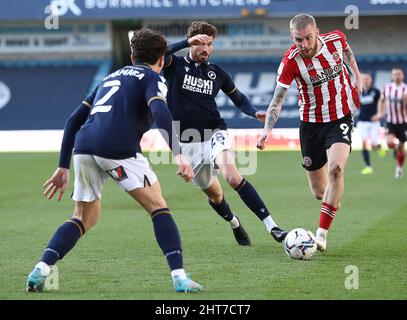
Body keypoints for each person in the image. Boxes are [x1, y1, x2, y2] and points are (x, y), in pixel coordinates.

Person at [26, 28, 203, 293]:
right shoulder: (152, 78)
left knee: (84, 217)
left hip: (84, 147)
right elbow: (159, 110)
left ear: (132, 56)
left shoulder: (109, 77)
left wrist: (63, 165)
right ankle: (179, 277)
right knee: (158, 207)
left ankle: (40, 270)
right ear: (162, 61)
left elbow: (73, 120)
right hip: (118, 148)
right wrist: (179, 154)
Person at [163, 21, 287, 246]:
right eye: (200, 43)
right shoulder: (174, 64)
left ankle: (273, 227)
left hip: (214, 133)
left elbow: (238, 97)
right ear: (191, 43)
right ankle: (234, 222)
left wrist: (253, 112)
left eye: (209, 44)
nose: (205, 48)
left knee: (232, 176)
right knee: (215, 195)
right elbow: (158, 52)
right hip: (187, 142)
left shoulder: (217, 72)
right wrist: (185, 43)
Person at [257, 14, 363, 252]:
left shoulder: (336, 39)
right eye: (298, 40)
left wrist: (356, 74)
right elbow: (278, 99)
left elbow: (347, 51)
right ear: (291, 37)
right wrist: (267, 131)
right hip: (311, 124)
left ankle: (321, 235)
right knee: (319, 191)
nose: (304, 45)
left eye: (308, 38)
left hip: (341, 116)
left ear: (317, 32)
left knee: (336, 170)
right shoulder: (290, 62)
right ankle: (333, 197)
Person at [375, 68, 407, 178]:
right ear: (392, 76)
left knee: (402, 148)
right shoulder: (387, 88)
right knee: (389, 143)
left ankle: (399, 168)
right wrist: (380, 113)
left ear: (402, 76)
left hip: (403, 122)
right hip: (391, 121)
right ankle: (397, 147)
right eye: (395, 74)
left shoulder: (405, 89)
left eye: (399, 74)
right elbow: (381, 100)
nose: (397, 76)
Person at [357, 71, 386, 175]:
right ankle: (368, 166)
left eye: (367, 79)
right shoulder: (359, 91)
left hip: (374, 122)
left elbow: (383, 102)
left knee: (373, 145)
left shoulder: (376, 91)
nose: (365, 81)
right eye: (364, 79)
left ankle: (379, 147)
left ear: (371, 80)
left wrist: (380, 114)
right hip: (362, 121)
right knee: (364, 143)